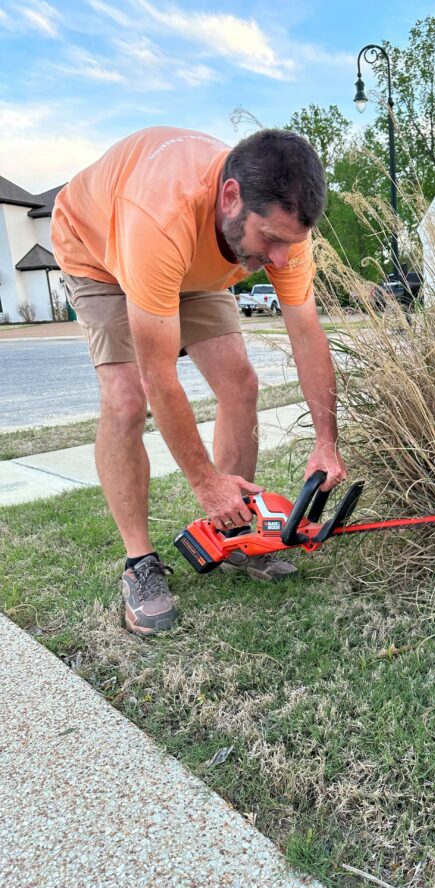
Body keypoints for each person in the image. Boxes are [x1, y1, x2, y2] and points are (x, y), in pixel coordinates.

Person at [51, 126, 347, 636]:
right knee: (125, 400)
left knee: (241, 383)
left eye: (289, 243)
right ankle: (139, 564)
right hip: (99, 253)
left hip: (199, 263)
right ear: (231, 197)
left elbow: (307, 332)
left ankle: (232, 537)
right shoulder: (160, 214)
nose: (279, 259)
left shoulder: (281, 229)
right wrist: (205, 483)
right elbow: (158, 374)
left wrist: (326, 442)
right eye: (271, 240)